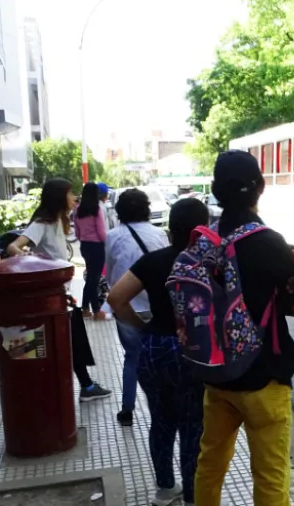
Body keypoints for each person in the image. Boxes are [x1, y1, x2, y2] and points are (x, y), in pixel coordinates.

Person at [193, 150, 294, 506]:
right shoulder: (269, 242)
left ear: (215, 189)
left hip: (217, 376)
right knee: (270, 475)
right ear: (260, 186)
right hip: (264, 379)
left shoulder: (203, 241)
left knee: (210, 463)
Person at [107, 197, 210, 506]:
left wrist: (143, 328)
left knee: (162, 420)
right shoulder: (208, 264)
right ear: (203, 230)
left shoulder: (153, 261)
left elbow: (116, 298)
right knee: (193, 425)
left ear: (170, 229)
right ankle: (192, 496)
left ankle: (165, 489)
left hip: (156, 349)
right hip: (194, 352)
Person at [6, 179, 112, 402]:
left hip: (60, 295)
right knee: (50, 343)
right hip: (46, 298)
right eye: (70, 193)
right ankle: (42, 389)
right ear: (58, 197)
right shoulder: (42, 223)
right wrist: (27, 257)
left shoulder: (57, 222)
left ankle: (85, 385)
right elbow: (13, 246)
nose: (74, 198)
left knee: (73, 340)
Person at [104, 188, 169, 427]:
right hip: (156, 305)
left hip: (126, 306)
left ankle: (127, 409)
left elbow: (110, 274)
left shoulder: (112, 236)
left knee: (132, 357)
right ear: (146, 209)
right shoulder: (159, 234)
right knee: (160, 357)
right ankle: (161, 406)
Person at [75, 182, 108, 320]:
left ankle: (85, 308)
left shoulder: (77, 210)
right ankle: (96, 310)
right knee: (94, 279)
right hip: (97, 247)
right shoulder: (96, 210)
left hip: (85, 246)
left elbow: (77, 232)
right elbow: (101, 231)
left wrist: (84, 239)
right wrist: (107, 244)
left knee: (90, 277)